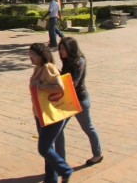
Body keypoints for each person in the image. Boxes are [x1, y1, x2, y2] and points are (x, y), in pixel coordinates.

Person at [28, 42, 73, 182]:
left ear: (42, 55)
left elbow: (60, 88)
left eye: (34, 55)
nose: (31, 58)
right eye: (30, 55)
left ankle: (65, 170)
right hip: (41, 114)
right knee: (48, 150)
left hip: (52, 115)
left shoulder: (48, 68)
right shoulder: (38, 69)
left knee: (44, 148)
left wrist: (40, 86)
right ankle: (50, 179)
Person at [58, 37, 104, 166]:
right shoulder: (67, 61)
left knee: (88, 127)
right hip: (69, 99)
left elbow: (73, 82)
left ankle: (98, 154)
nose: (61, 51)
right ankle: (60, 161)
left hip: (80, 101)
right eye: (60, 48)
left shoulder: (79, 62)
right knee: (58, 129)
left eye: (63, 48)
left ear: (70, 48)